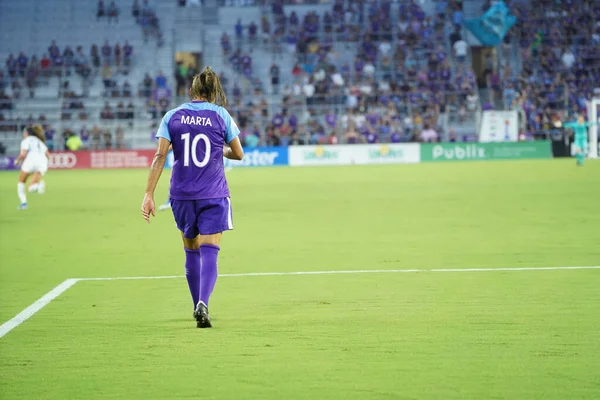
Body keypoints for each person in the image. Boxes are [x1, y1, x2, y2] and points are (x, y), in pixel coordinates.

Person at [141, 67, 244, 328]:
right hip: (213, 193)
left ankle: (195, 304)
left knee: (191, 251)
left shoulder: (172, 116)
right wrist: (217, 150)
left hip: (182, 195)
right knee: (211, 251)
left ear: (191, 92)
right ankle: (204, 303)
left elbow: (160, 157)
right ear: (213, 93)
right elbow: (238, 153)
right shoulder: (221, 114)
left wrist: (148, 194)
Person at [14, 125, 49, 210]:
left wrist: (17, 160)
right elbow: (48, 155)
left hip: (31, 160)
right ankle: (38, 186)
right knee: (31, 187)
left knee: (21, 182)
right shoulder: (40, 142)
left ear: (26, 133)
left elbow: (23, 154)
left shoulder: (26, 141)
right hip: (42, 162)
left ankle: (24, 204)